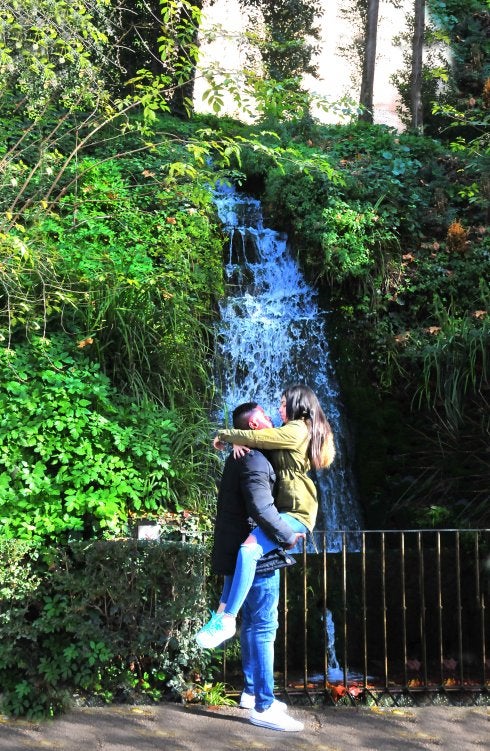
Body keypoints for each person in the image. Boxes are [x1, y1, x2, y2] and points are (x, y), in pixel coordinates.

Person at [195, 384, 335, 650]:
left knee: (248, 552)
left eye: (283, 403)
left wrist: (227, 435)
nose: (279, 408)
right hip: (285, 510)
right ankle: (222, 617)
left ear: (296, 404)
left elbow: (260, 437)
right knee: (243, 557)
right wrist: (239, 439)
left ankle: (227, 618)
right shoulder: (290, 433)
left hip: (297, 511)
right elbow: (259, 439)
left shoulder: (297, 429)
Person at [200, 401, 305, 732]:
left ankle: (249, 692)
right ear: (252, 427)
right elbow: (261, 507)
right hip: (256, 553)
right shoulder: (255, 460)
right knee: (262, 628)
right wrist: (288, 535)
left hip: (238, 550)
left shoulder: (244, 453)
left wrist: (232, 439)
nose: (270, 420)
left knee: (253, 626)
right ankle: (263, 704)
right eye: (262, 419)